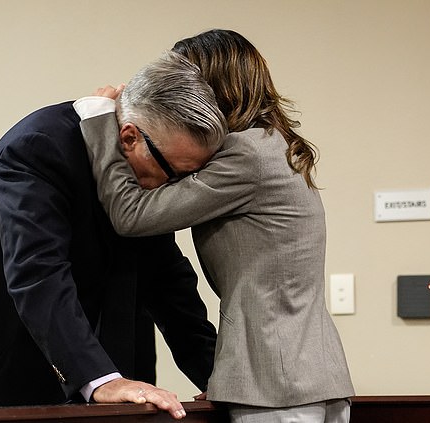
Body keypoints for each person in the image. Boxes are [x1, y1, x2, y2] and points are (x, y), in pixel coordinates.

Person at [0, 51, 227, 420]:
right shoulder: (42, 145)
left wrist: (222, 381)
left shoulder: (146, 183)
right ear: (129, 137)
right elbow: (37, 271)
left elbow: (169, 285)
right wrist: (101, 380)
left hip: (44, 385)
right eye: (174, 173)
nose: (177, 189)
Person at [76, 29, 355, 422]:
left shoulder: (247, 152)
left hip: (274, 387)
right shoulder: (276, 144)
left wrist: (98, 119)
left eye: (184, 79)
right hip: (303, 377)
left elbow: (133, 215)